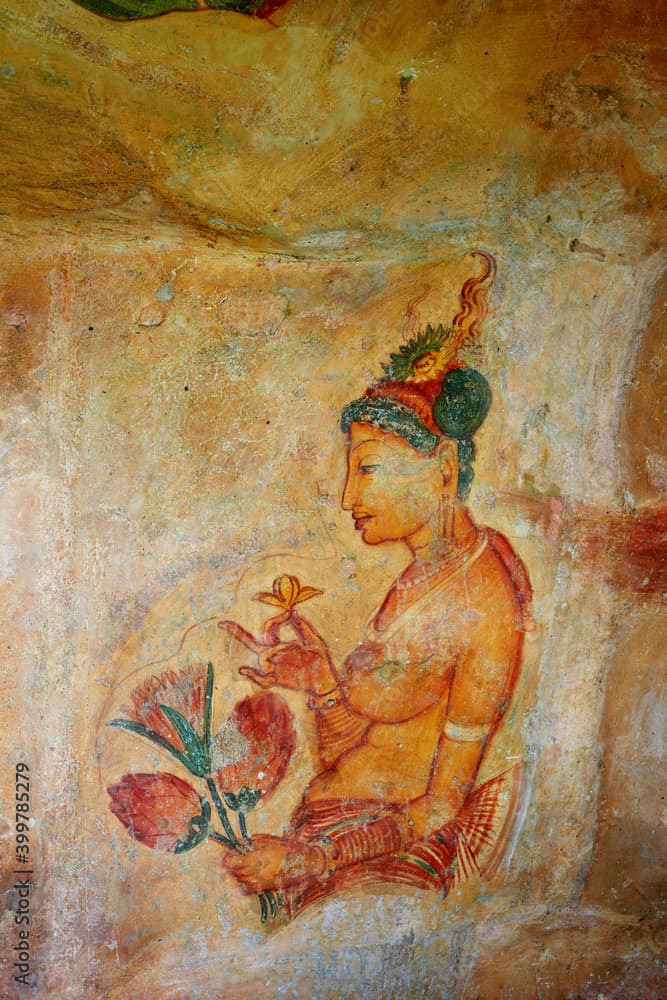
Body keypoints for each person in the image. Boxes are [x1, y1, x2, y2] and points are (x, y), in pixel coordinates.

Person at [218, 253, 533, 918]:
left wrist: (315, 858)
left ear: (442, 468)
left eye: (368, 470)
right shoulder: (421, 574)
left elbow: (439, 806)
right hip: (331, 840)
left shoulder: (487, 601)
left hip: (379, 871)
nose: (346, 497)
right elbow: (366, 750)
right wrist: (322, 683)